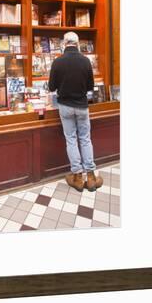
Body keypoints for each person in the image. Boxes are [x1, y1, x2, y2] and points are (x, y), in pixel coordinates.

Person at [48, 32, 103, 193]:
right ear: (78, 44)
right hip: (82, 106)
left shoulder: (57, 62)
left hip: (65, 106)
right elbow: (89, 87)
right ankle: (91, 177)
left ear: (64, 44)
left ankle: (78, 177)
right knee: (85, 139)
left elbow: (51, 87)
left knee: (71, 139)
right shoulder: (85, 61)